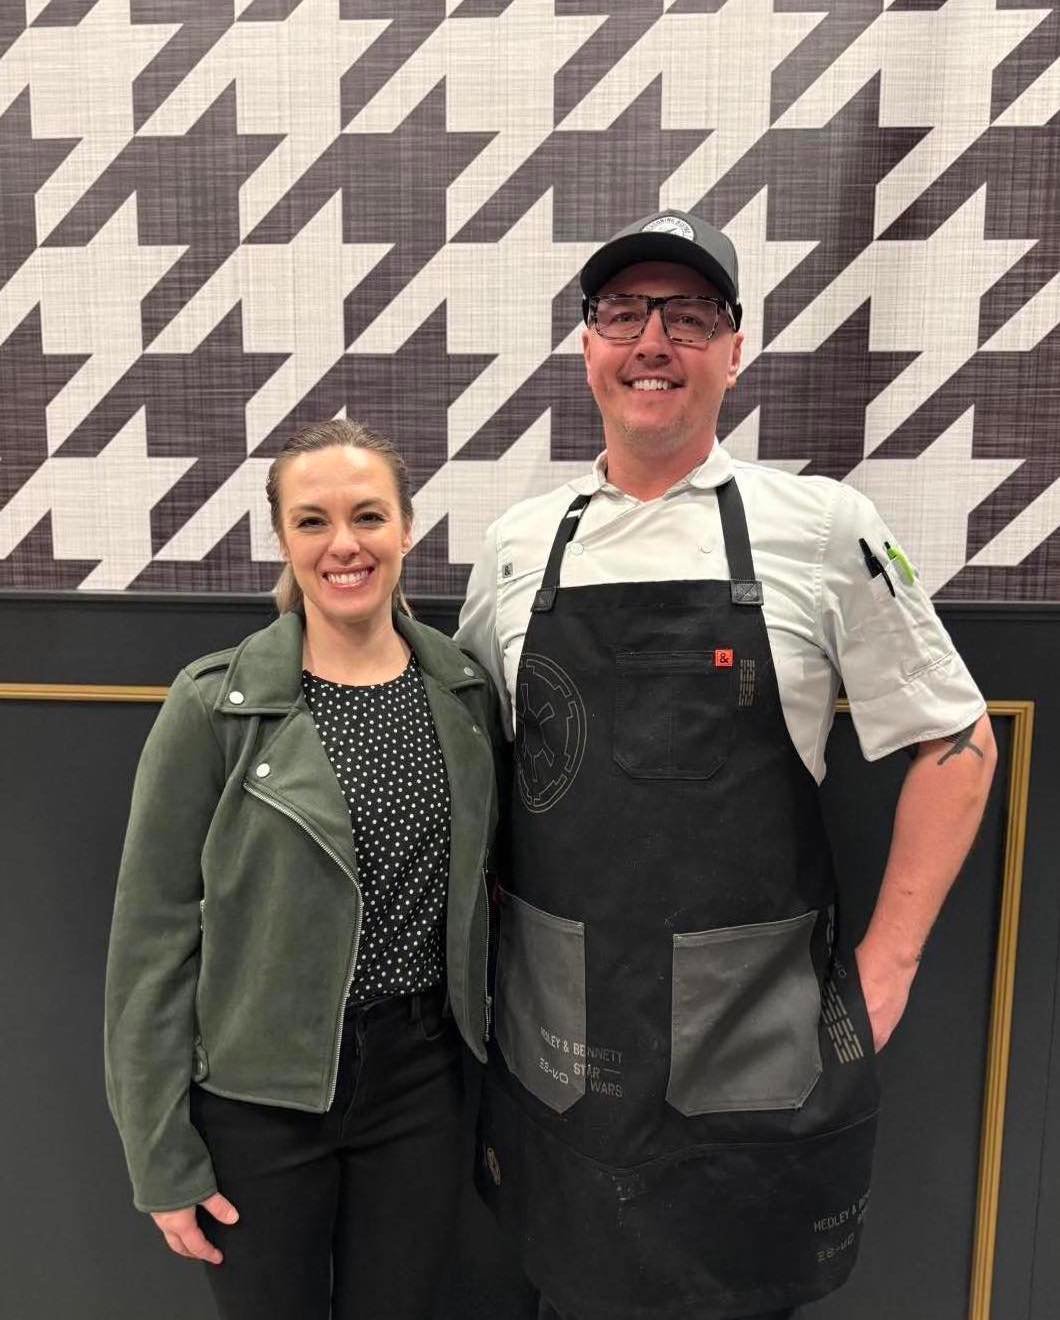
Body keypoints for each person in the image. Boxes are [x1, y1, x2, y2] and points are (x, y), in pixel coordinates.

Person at [456, 209, 996, 1320]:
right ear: (588, 345)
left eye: (690, 316)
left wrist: (888, 968)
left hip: (754, 1063)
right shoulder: (518, 545)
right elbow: (474, 766)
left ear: (735, 350)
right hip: (564, 1055)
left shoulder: (823, 527)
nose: (653, 341)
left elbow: (959, 741)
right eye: (623, 313)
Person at [105, 419, 500, 1320]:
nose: (344, 544)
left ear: (407, 529)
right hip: (257, 1100)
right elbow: (151, 939)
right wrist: (159, 1155)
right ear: (282, 539)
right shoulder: (214, 706)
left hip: (420, 1091)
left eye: (368, 516)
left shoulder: (464, 695)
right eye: (313, 521)